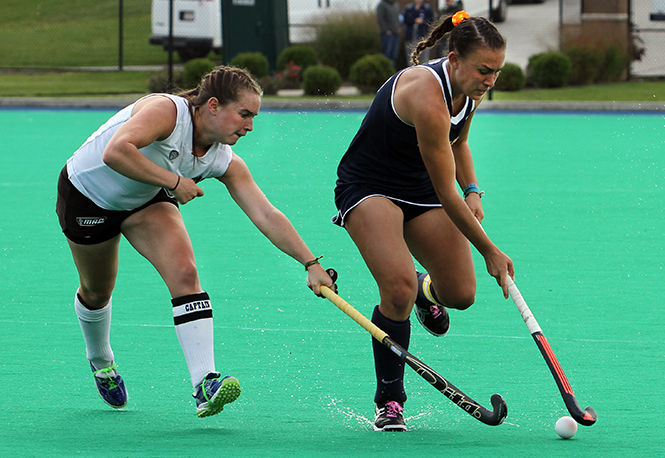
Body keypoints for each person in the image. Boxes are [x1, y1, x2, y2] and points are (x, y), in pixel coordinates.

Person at [56, 65, 335, 417]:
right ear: (214, 106)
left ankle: (205, 382)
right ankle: (101, 360)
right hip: (87, 195)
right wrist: (174, 182)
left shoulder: (222, 158)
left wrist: (311, 264)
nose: (249, 126)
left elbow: (266, 214)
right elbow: (116, 151)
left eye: (253, 117)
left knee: (186, 274)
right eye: (244, 114)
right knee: (97, 291)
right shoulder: (167, 112)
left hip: (146, 199)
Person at [331, 12, 513, 431]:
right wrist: (490, 250)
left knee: (461, 295)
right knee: (395, 289)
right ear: (453, 59)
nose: (490, 81)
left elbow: (460, 142)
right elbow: (444, 190)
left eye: (497, 72)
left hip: (421, 188)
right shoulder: (426, 95)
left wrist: (473, 189)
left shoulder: (471, 89)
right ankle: (390, 400)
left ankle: (423, 288)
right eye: (484, 71)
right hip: (370, 186)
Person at [402, 0, 435, 65]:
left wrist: (423, 21)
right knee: (411, 59)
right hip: (411, 37)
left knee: (424, 59)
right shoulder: (409, 8)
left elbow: (432, 19)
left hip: (423, 38)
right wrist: (414, 20)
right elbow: (404, 19)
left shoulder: (427, 8)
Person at [376, 0, 402, 69]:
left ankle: (392, 72)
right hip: (387, 35)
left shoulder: (396, 5)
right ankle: (385, 71)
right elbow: (380, 19)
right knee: (387, 54)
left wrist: (399, 27)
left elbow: (400, 18)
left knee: (394, 55)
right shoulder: (382, 5)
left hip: (396, 34)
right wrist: (386, 30)